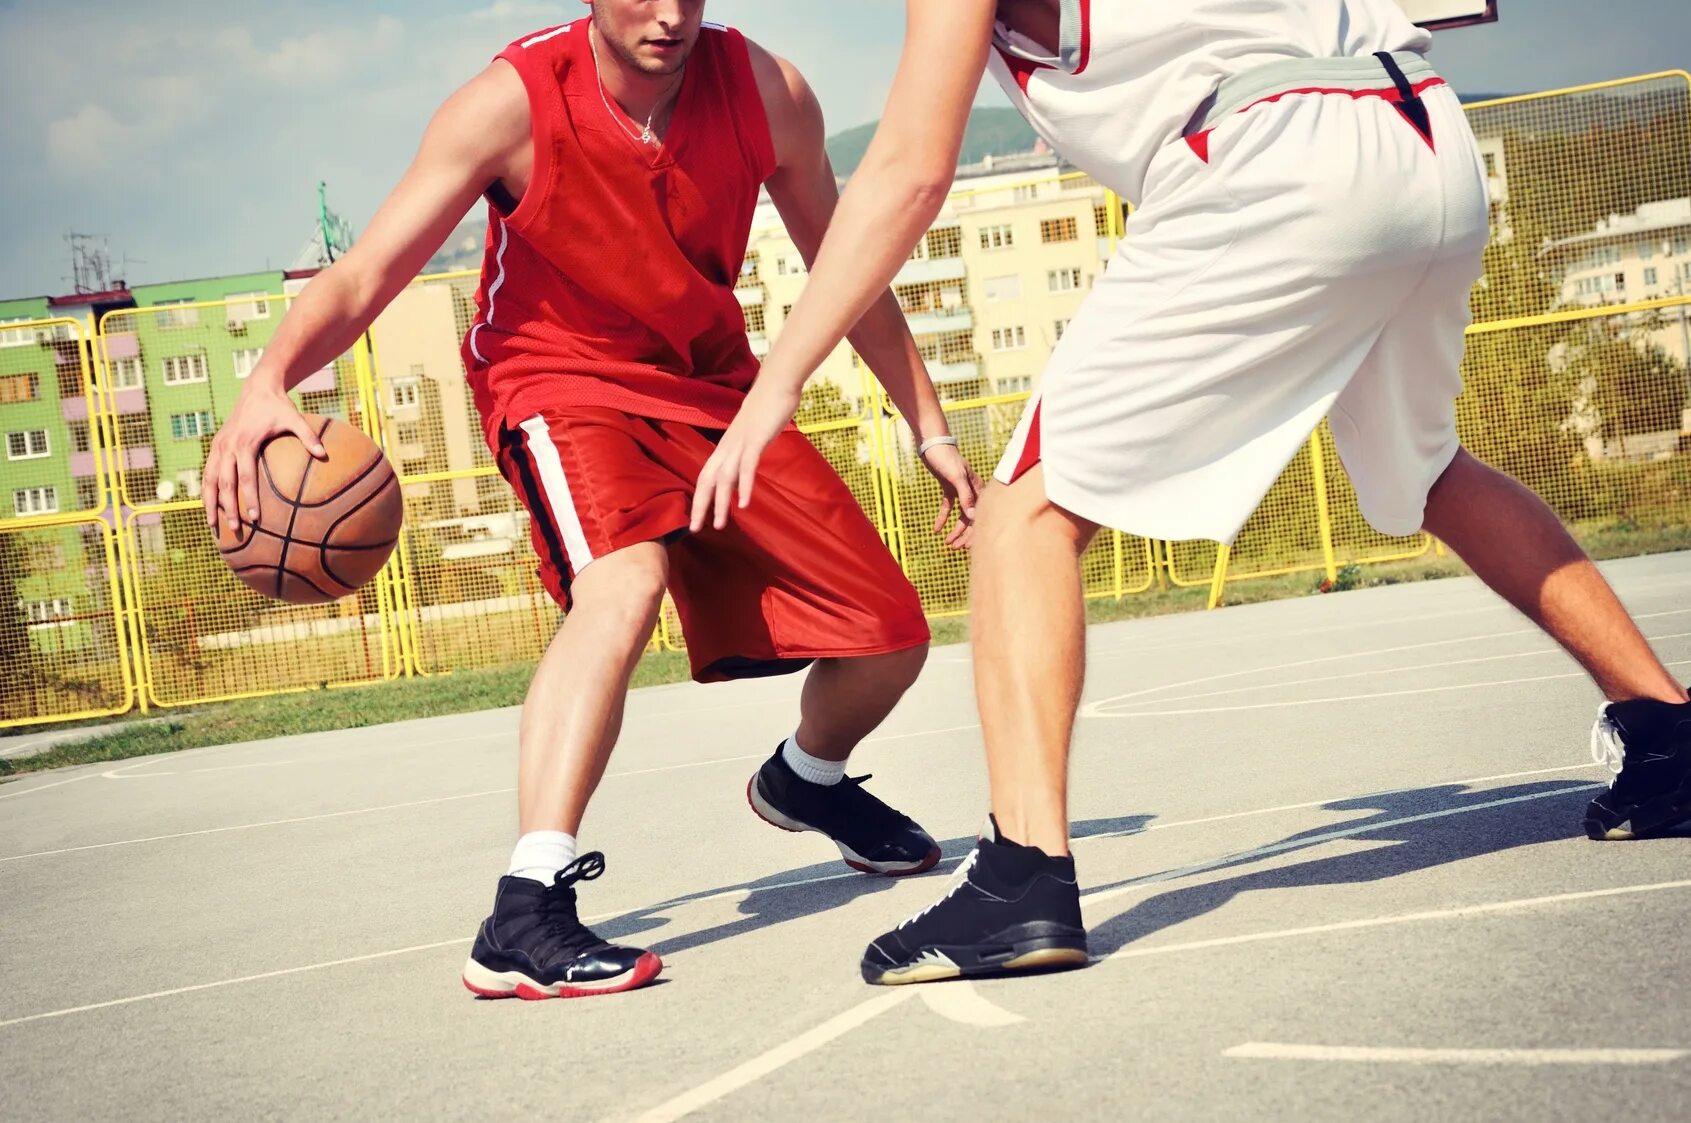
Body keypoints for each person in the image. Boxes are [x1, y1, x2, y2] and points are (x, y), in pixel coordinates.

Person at [691, 0, 1691, 986]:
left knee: (1025, 509)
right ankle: (1662, 731)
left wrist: (776, 383)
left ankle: (1021, 874)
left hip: (1269, 149)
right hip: (1422, 129)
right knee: (1426, 465)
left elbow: (908, 168)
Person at [201, 0, 983, 1001]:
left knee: (889, 634)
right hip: (555, 382)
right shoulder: (509, 104)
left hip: (710, 389)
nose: (668, 16)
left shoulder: (766, 93)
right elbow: (368, 273)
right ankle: (524, 909)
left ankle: (804, 778)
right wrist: (270, 379)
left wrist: (929, 426)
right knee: (623, 584)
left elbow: (851, 268)